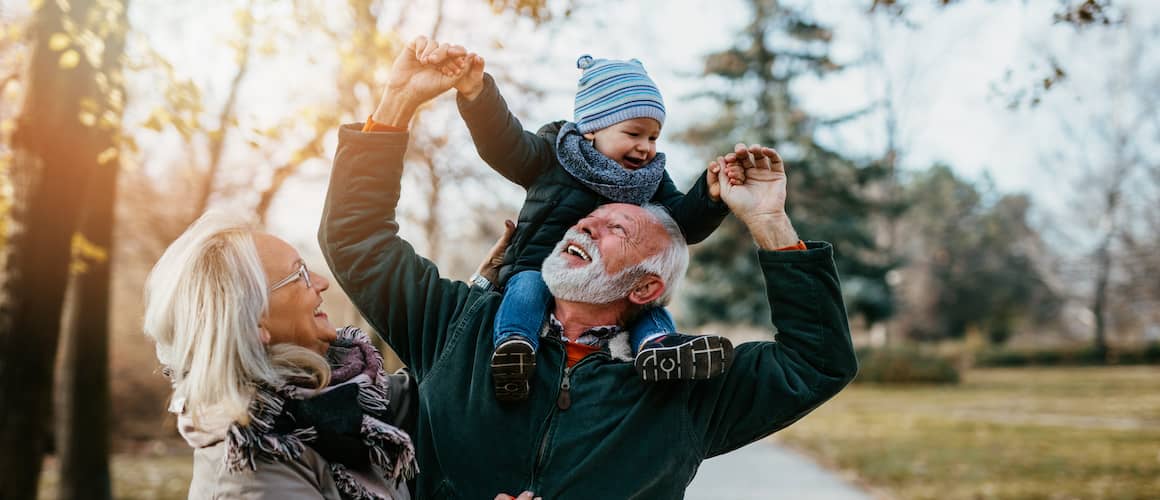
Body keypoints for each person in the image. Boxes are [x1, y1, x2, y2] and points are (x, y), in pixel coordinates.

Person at [318, 37, 859, 498]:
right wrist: (396, 104)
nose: (583, 224)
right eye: (588, 218)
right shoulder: (460, 330)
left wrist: (768, 221)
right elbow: (354, 239)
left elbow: (817, 364)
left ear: (649, 286)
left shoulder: (687, 390)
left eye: (617, 227)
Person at [425, 40, 751, 399]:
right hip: (537, 265)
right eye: (634, 133)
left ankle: (659, 348)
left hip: (606, 287)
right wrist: (477, 94)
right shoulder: (553, 155)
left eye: (654, 137)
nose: (646, 147)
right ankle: (515, 349)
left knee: (645, 305)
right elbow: (504, 144)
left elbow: (680, 225)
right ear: (593, 127)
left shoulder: (650, 179)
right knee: (525, 289)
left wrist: (710, 196)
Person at [143, 211, 418, 499]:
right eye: (299, 274)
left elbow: (439, 390)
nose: (322, 281)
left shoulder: (335, 403)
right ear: (253, 320)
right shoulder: (254, 472)